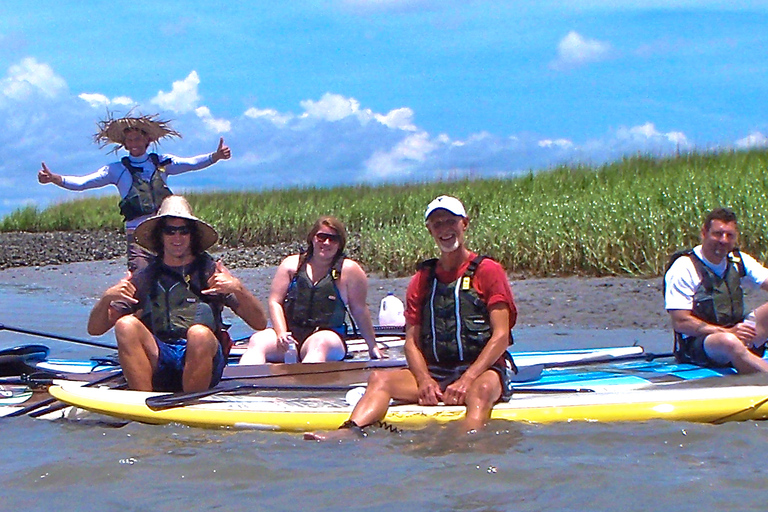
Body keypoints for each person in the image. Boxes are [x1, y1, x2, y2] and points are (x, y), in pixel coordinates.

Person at [305, 195, 518, 440]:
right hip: (437, 371)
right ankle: (349, 431)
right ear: (430, 230)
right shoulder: (423, 279)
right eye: (437, 224)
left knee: (480, 391)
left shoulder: (488, 271)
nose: (445, 229)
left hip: (484, 371)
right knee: (379, 379)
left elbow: (501, 336)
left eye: (451, 222)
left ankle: (466, 441)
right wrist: (424, 379)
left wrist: (467, 379)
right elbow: (411, 342)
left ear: (464, 224)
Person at [87, 195, 267, 392]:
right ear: (160, 235)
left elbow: (259, 323)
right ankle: (142, 405)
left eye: (184, 231)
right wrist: (107, 298)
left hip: (201, 360)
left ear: (192, 235)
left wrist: (237, 289)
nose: (177, 238)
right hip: (160, 357)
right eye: (170, 231)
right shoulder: (145, 277)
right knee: (125, 325)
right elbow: (95, 329)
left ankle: (191, 403)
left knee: (198, 334)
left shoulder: (209, 272)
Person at [37, 112, 231, 271]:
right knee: (140, 276)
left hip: (164, 230)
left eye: (138, 138)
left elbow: (191, 163)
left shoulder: (161, 162)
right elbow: (82, 183)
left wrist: (215, 156)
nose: (134, 143)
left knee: (181, 271)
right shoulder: (116, 170)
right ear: (125, 144)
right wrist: (55, 179)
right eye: (129, 140)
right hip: (136, 233)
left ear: (147, 140)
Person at [239, 216, 383, 364]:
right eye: (322, 237)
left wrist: (372, 346)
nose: (326, 243)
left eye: (333, 239)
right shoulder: (290, 265)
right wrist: (281, 332)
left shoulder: (350, 271)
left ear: (340, 244)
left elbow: (359, 310)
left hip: (328, 336)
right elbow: (275, 302)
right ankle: (245, 382)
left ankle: (308, 384)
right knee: (258, 340)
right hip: (290, 334)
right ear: (312, 238)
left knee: (319, 345)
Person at [665, 207, 768, 373]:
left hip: (738, 333)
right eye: (718, 234)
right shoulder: (684, 267)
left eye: (729, 235)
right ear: (704, 233)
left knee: (732, 339)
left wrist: (736, 331)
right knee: (728, 341)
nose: (723, 240)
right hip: (702, 344)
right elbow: (680, 322)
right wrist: (728, 331)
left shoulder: (738, 260)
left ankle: (746, 357)